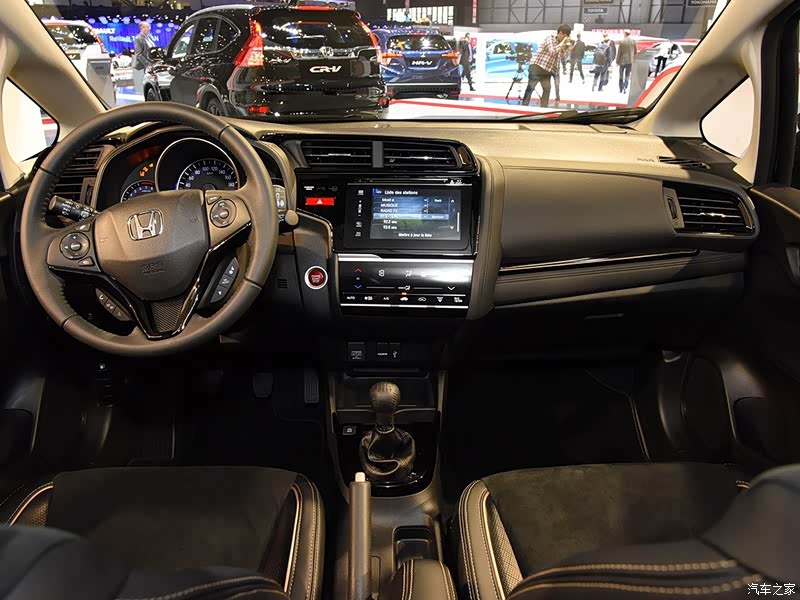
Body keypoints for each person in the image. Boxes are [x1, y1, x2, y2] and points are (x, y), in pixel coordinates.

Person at [522, 23, 572, 108]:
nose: (566, 39)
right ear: (560, 33)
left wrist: (567, 48)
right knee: (530, 88)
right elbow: (552, 51)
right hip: (537, 67)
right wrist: (563, 43)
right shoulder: (550, 39)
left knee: (547, 89)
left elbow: (562, 56)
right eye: (565, 36)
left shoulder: (561, 44)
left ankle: (544, 109)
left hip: (547, 70)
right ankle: (524, 107)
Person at [132, 21, 155, 96]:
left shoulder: (149, 37)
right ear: (142, 28)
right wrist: (148, 64)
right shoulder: (138, 38)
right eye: (147, 27)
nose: (149, 28)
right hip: (144, 65)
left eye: (149, 27)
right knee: (146, 82)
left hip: (152, 62)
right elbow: (139, 54)